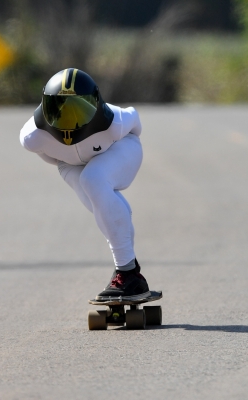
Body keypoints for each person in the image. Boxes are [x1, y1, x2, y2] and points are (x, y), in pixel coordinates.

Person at [19, 68, 150, 301]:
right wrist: (73, 158)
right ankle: (128, 271)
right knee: (101, 207)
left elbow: (135, 121)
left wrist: (107, 158)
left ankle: (128, 273)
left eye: (80, 109)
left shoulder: (114, 123)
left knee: (94, 180)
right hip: (69, 165)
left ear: (97, 105)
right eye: (59, 110)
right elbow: (50, 157)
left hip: (121, 149)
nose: (69, 120)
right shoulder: (32, 136)